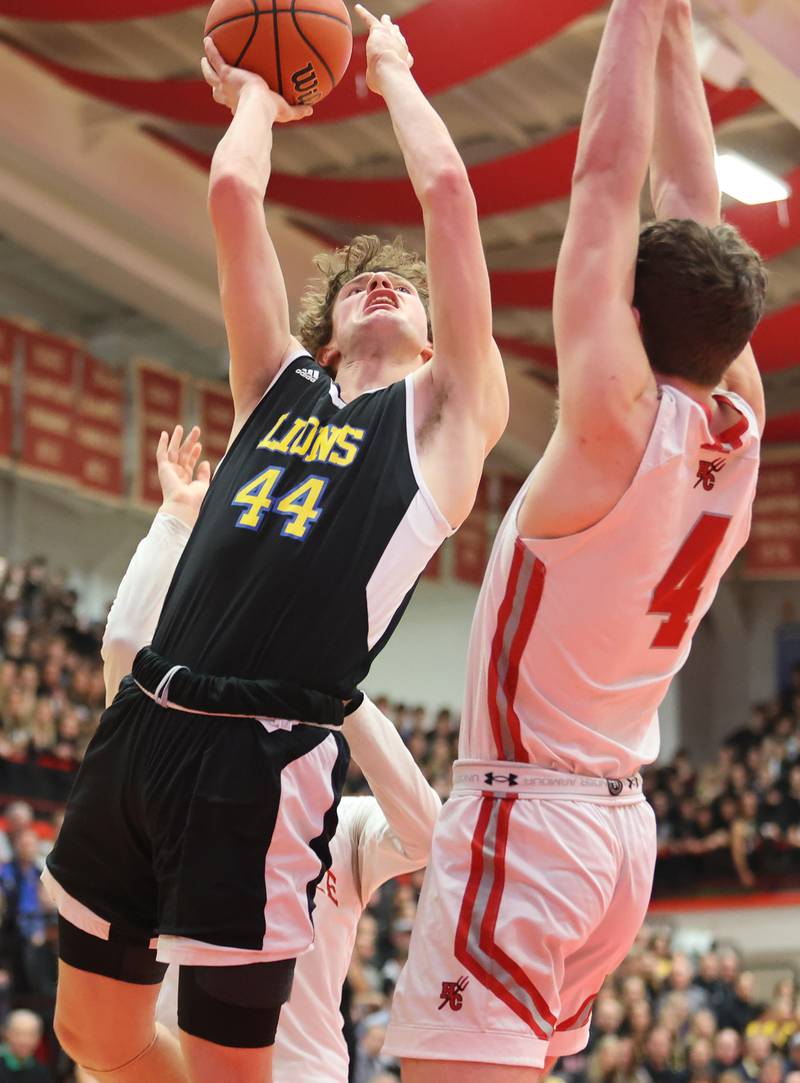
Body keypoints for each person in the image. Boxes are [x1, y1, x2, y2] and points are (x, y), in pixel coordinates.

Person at [43, 6, 506, 1081]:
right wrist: (257, 93)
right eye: (354, 285)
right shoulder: (274, 391)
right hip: (146, 715)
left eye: (400, 286)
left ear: (437, 340)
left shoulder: (442, 426)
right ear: (324, 328)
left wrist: (388, 72)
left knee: (225, 1071)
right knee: (90, 1037)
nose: (379, 282)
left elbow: (447, 198)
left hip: (262, 757)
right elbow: (231, 195)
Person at [385, 0, 765, 1078]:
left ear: (630, 320)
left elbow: (606, 178)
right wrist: (671, 29)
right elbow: (688, 199)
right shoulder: (737, 428)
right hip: (610, 836)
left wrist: (638, 13)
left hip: (530, 820)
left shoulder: (611, 417)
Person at [92, 425, 440, 1083]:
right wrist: (173, 523)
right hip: (177, 1067)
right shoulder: (178, 776)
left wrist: (349, 700)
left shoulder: (345, 820)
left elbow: (427, 834)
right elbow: (123, 658)